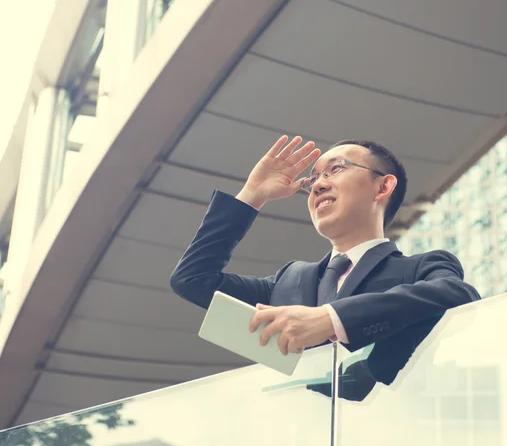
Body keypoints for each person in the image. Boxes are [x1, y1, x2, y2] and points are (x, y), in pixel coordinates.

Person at [170, 136, 480, 398]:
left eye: (335, 169)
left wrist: (331, 319)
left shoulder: (420, 269)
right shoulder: (287, 280)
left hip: (388, 441)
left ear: (383, 187)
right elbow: (192, 279)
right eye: (312, 179)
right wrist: (253, 194)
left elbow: (458, 294)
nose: (318, 185)